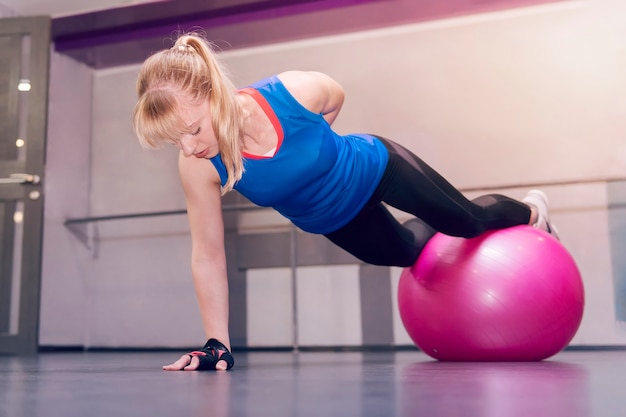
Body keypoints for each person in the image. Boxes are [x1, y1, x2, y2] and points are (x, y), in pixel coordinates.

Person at [133, 33, 559, 372]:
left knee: (467, 221)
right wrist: (217, 344)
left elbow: (334, 96)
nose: (187, 148)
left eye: (191, 130)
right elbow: (207, 255)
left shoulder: (291, 93)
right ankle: (437, 221)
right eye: (175, 140)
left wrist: (322, 157)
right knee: (406, 253)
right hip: (333, 218)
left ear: (213, 94)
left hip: (375, 168)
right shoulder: (199, 168)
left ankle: (532, 211)